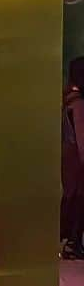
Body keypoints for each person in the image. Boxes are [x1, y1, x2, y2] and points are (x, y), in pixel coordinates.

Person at [61, 56, 84, 257]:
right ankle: (72, 242)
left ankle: (66, 240)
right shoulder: (78, 104)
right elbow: (81, 136)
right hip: (76, 162)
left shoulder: (66, 99)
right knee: (77, 201)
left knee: (69, 199)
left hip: (67, 159)